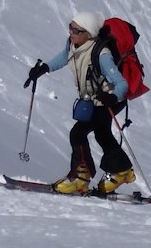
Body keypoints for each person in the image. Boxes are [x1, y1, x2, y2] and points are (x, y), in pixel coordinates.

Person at [23, 11, 135, 194]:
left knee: (79, 133)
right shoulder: (74, 45)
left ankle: (81, 177)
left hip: (109, 101)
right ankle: (121, 171)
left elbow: (122, 84)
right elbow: (63, 56)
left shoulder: (102, 54)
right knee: (101, 134)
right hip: (96, 100)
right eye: (70, 27)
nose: (71, 33)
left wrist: (113, 97)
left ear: (89, 34)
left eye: (76, 30)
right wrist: (43, 69)